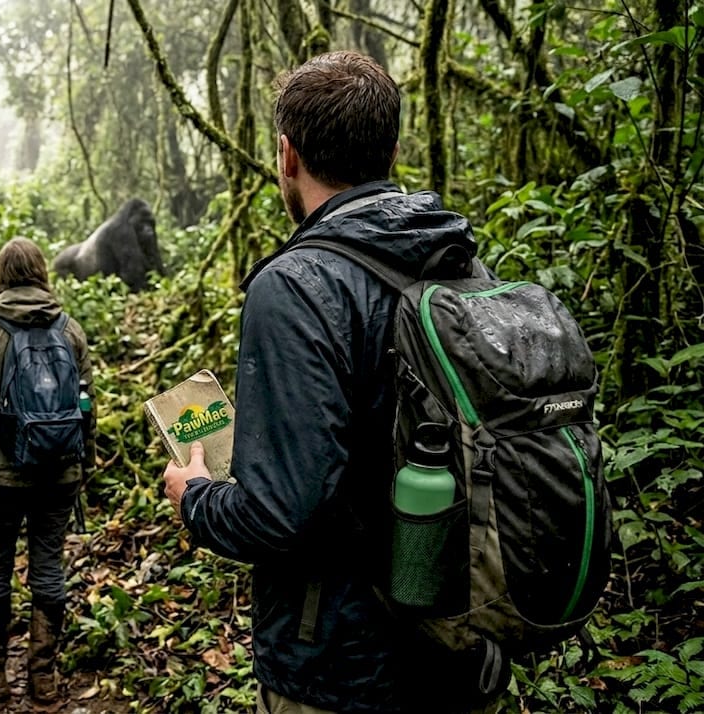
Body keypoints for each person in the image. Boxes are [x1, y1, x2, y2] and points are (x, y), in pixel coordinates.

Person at [162, 51, 500, 714]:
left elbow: (279, 515)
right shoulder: (461, 259)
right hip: (463, 650)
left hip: (342, 674)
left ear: (287, 156)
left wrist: (194, 497)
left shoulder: (293, 287)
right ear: (393, 150)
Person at [0, 237, 95, 704]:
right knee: (48, 567)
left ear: (1, 276)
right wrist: (85, 463)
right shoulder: (70, 329)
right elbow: (86, 404)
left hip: (1, 474)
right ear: (41, 273)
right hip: (60, 472)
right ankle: (44, 677)